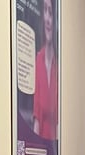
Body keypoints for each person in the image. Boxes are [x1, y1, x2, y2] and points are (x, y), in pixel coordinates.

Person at [33, 0, 58, 140]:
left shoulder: (57, 68)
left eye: (51, 12)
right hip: (40, 146)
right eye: (45, 11)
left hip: (54, 150)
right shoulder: (38, 60)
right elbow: (37, 117)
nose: (48, 19)